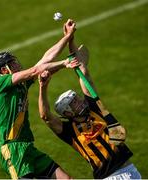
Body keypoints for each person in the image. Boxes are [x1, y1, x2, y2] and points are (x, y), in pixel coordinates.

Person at [38, 20, 141, 179]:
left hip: (131, 169)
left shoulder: (94, 108)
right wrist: (42, 87)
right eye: (74, 102)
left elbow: (82, 72)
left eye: (77, 98)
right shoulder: (69, 131)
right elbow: (45, 116)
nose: (80, 101)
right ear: (67, 112)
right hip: (108, 176)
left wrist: (70, 38)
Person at [0, 19, 79, 179]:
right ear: (4, 70)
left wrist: (66, 37)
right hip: (13, 150)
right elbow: (35, 70)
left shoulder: (20, 85)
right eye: (12, 63)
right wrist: (65, 62)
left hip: (28, 148)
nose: (17, 63)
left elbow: (45, 60)